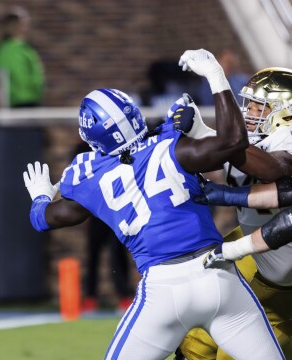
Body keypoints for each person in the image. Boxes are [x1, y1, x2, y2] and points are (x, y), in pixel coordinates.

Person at [22, 49, 284, 359]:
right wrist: (215, 77)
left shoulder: (89, 178)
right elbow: (232, 142)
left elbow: (43, 219)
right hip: (218, 274)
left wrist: (40, 195)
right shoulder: (172, 144)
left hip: (163, 290)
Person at [173, 67, 292, 360]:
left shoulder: (286, 139)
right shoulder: (255, 138)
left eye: (259, 107)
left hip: (282, 274)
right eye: (248, 105)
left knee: (235, 352)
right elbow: (239, 149)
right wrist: (200, 132)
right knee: (194, 340)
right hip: (258, 249)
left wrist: (218, 143)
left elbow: (274, 168)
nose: (249, 113)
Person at [72, 141, 135, 312]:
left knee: (118, 253)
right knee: (93, 254)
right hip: (96, 210)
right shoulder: (84, 149)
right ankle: (90, 297)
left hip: (116, 209)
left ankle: (124, 296)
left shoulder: (117, 146)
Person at [0, 6, 45, 108]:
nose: (26, 27)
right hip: (22, 101)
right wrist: (34, 87)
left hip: (31, 98)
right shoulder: (10, 49)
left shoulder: (24, 47)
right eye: (23, 24)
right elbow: (19, 75)